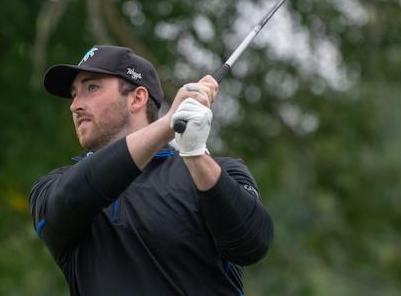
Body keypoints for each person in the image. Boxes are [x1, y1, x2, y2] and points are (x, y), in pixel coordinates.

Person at [31, 45, 273, 296]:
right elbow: (69, 200)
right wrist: (168, 124)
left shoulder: (219, 171)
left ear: (137, 98)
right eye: (74, 94)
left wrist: (195, 154)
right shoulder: (53, 187)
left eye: (91, 88)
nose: (75, 105)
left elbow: (252, 243)